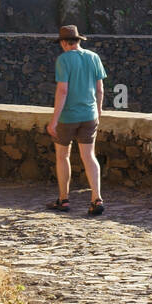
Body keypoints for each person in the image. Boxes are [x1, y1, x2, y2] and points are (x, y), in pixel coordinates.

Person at [45, 25, 107, 216]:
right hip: (89, 116)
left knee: (62, 156)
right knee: (89, 156)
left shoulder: (63, 60)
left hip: (68, 117)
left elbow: (63, 91)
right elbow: (100, 89)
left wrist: (54, 121)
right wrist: (98, 112)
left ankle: (63, 200)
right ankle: (96, 198)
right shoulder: (93, 57)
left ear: (64, 43)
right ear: (79, 40)